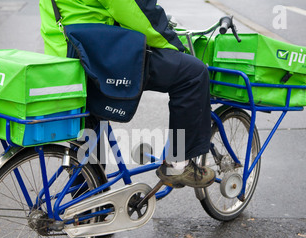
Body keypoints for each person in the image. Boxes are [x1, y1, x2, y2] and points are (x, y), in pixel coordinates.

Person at [39, 0, 215, 189]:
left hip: (63, 58)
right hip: (92, 58)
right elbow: (136, 11)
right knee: (193, 73)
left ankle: (86, 209)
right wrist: (176, 47)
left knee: (87, 130)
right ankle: (179, 165)